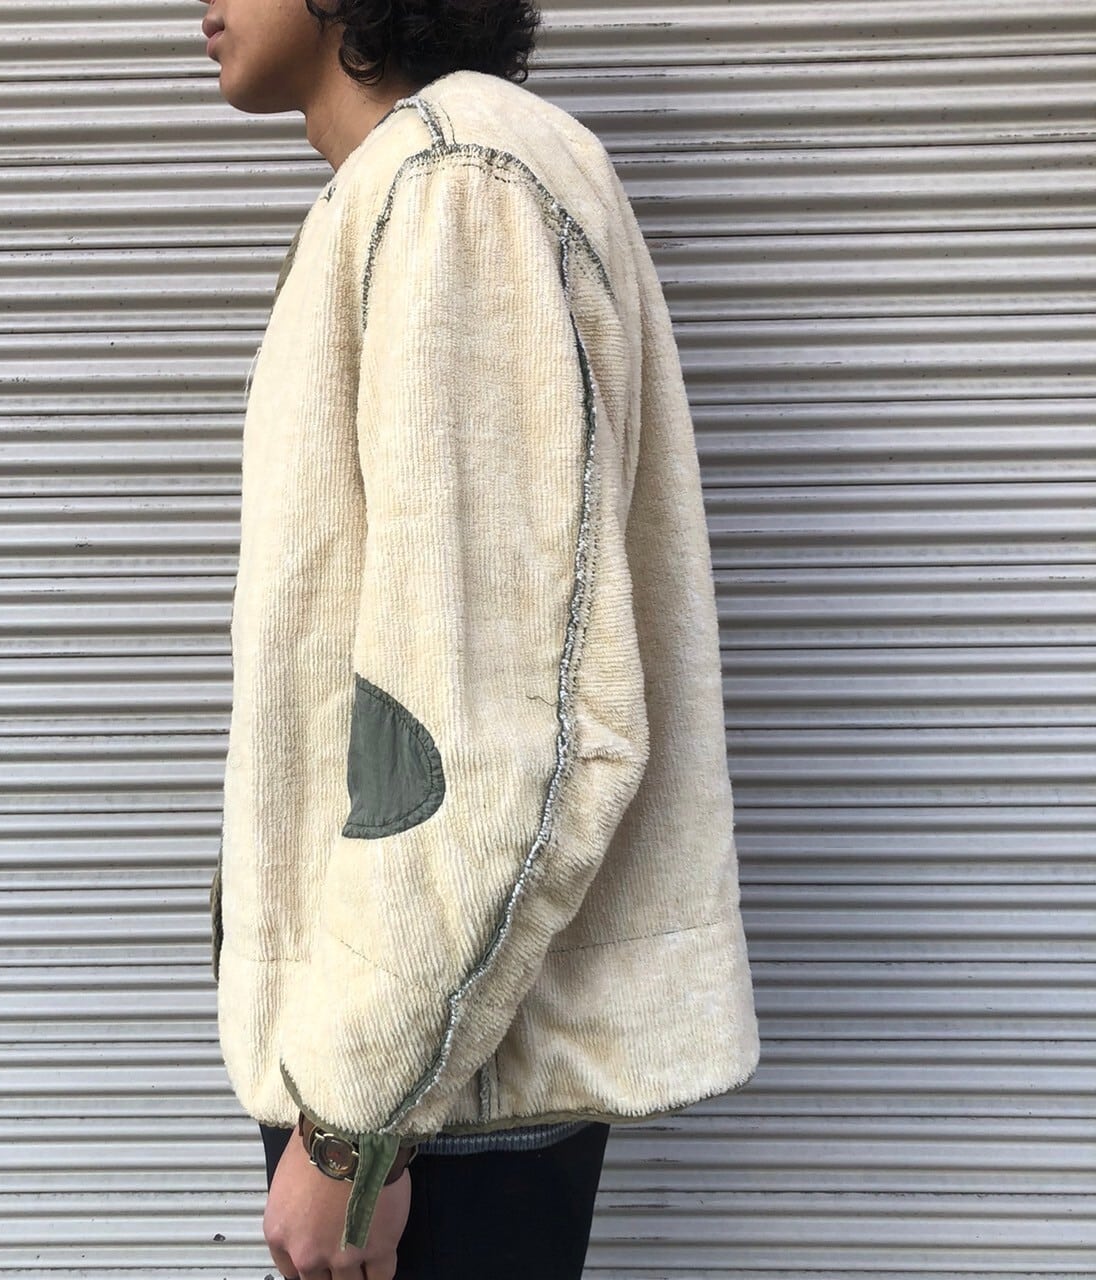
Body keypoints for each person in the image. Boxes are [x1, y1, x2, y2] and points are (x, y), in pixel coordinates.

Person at [200, 1, 763, 1277]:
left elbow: (495, 721)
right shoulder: (415, 183)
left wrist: (354, 1129)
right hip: (418, 1069)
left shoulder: (455, 184)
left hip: (430, 1096)